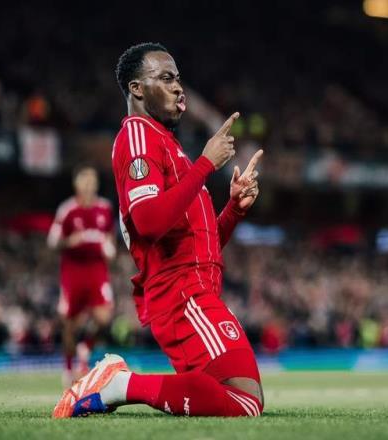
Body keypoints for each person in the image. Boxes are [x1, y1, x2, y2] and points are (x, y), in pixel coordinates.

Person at [53, 42, 263, 418]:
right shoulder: (138, 136)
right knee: (244, 401)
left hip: (195, 290)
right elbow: (148, 222)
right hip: (183, 294)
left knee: (231, 396)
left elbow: (200, 243)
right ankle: (119, 384)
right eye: (166, 78)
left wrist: (233, 208)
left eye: (178, 79)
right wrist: (205, 164)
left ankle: (120, 383)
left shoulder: (167, 145)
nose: (178, 87)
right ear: (136, 89)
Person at [48, 165, 116, 387]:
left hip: (97, 270)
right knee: (69, 324)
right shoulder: (67, 210)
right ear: (77, 185)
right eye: (84, 183)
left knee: (104, 318)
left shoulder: (104, 208)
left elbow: (109, 235)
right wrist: (69, 241)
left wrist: (110, 248)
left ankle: (85, 348)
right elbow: (53, 241)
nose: (88, 187)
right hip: (73, 271)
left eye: (91, 183)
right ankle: (68, 368)